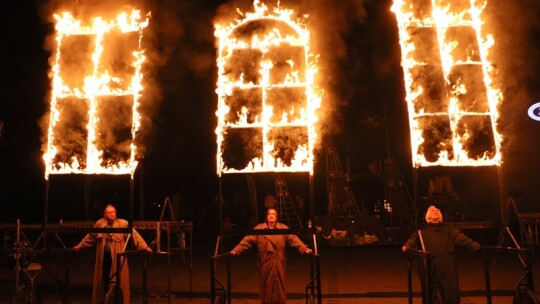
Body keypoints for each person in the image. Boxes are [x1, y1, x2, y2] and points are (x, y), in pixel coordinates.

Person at [230, 208, 313, 304]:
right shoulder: (259, 229)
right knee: (266, 288)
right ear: (267, 216)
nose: (271, 215)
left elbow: (294, 239)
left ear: (277, 217)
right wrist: (236, 250)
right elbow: (247, 240)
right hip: (265, 263)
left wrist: (304, 249)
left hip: (279, 262)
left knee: (279, 287)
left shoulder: (283, 228)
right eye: (269, 214)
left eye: (274, 214)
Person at [73, 204, 152, 304]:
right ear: (105, 215)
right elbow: (90, 236)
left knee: (119, 278)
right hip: (103, 256)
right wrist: (80, 245)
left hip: (118, 256)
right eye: (109, 212)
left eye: (113, 212)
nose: (112, 214)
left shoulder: (123, 223)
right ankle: (104, 299)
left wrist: (144, 246)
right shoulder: (100, 223)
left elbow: (134, 235)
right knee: (104, 277)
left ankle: (120, 300)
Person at [402, 205, 481, 304]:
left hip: (447, 264)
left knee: (449, 292)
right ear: (427, 216)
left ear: (440, 215)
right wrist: (407, 246)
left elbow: (463, 239)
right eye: (432, 210)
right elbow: (413, 239)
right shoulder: (422, 230)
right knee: (433, 293)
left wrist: (477, 247)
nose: (435, 211)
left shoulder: (448, 229)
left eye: (437, 210)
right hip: (431, 264)